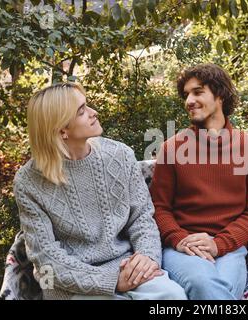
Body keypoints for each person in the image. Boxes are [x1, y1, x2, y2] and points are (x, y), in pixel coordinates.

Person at [13, 82, 186, 300]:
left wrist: (147, 256)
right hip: (70, 282)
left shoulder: (120, 155)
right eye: (82, 111)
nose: (94, 113)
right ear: (61, 130)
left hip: (125, 265)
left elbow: (142, 217)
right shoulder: (28, 181)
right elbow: (46, 258)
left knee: (173, 296)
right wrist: (110, 281)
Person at [150, 63, 248, 300]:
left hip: (229, 247)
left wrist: (219, 244)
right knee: (204, 283)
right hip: (182, 247)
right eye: (186, 95)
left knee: (218, 287)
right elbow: (159, 208)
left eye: (197, 91)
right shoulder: (171, 148)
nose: (188, 101)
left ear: (220, 94)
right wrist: (180, 239)